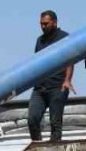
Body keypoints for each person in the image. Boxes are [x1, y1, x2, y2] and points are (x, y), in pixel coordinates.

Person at [27, 10, 75, 143]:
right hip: (39, 88)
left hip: (57, 87)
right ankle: (37, 145)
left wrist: (67, 80)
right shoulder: (39, 40)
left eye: (46, 24)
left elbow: (70, 60)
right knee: (32, 119)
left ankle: (54, 149)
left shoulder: (64, 37)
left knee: (55, 123)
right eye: (41, 24)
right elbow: (36, 62)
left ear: (54, 22)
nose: (43, 26)